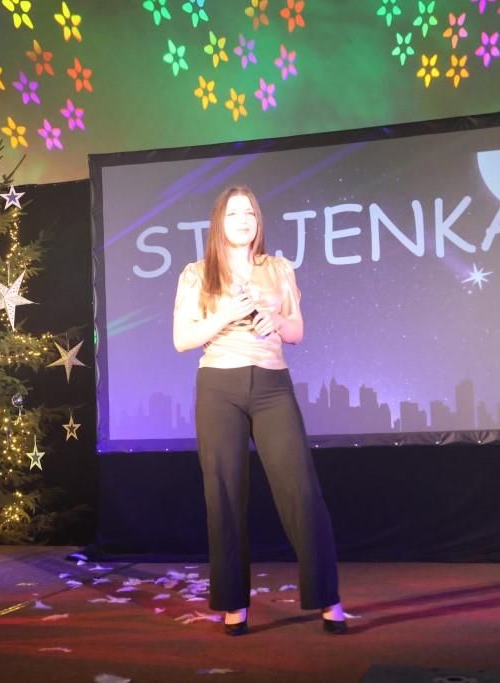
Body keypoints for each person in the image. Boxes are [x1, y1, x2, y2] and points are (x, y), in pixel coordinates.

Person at [172, 186, 347, 636]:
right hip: (218, 387)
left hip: (272, 385)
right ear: (219, 222)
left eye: (249, 212)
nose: (243, 220)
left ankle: (327, 596)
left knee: (301, 489)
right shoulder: (197, 273)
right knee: (224, 495)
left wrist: (278, 322)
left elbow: (297, 331)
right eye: (233, 213)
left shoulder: (278, 268)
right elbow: (182, 339)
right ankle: (233, 602)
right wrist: (226, 314)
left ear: (258, 221)